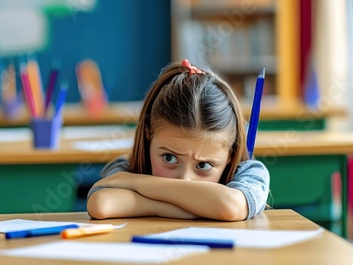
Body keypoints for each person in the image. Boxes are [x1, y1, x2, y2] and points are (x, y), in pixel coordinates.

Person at [87, 59, 270, 221]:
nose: (185, 179)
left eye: (203, 166)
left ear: (230, 154)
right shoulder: (127, 166)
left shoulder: (251, 172)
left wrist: (137, 183)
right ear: (148, 136)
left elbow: (230, 207)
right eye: (169, 158)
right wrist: (199, 207)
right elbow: (101, 204)